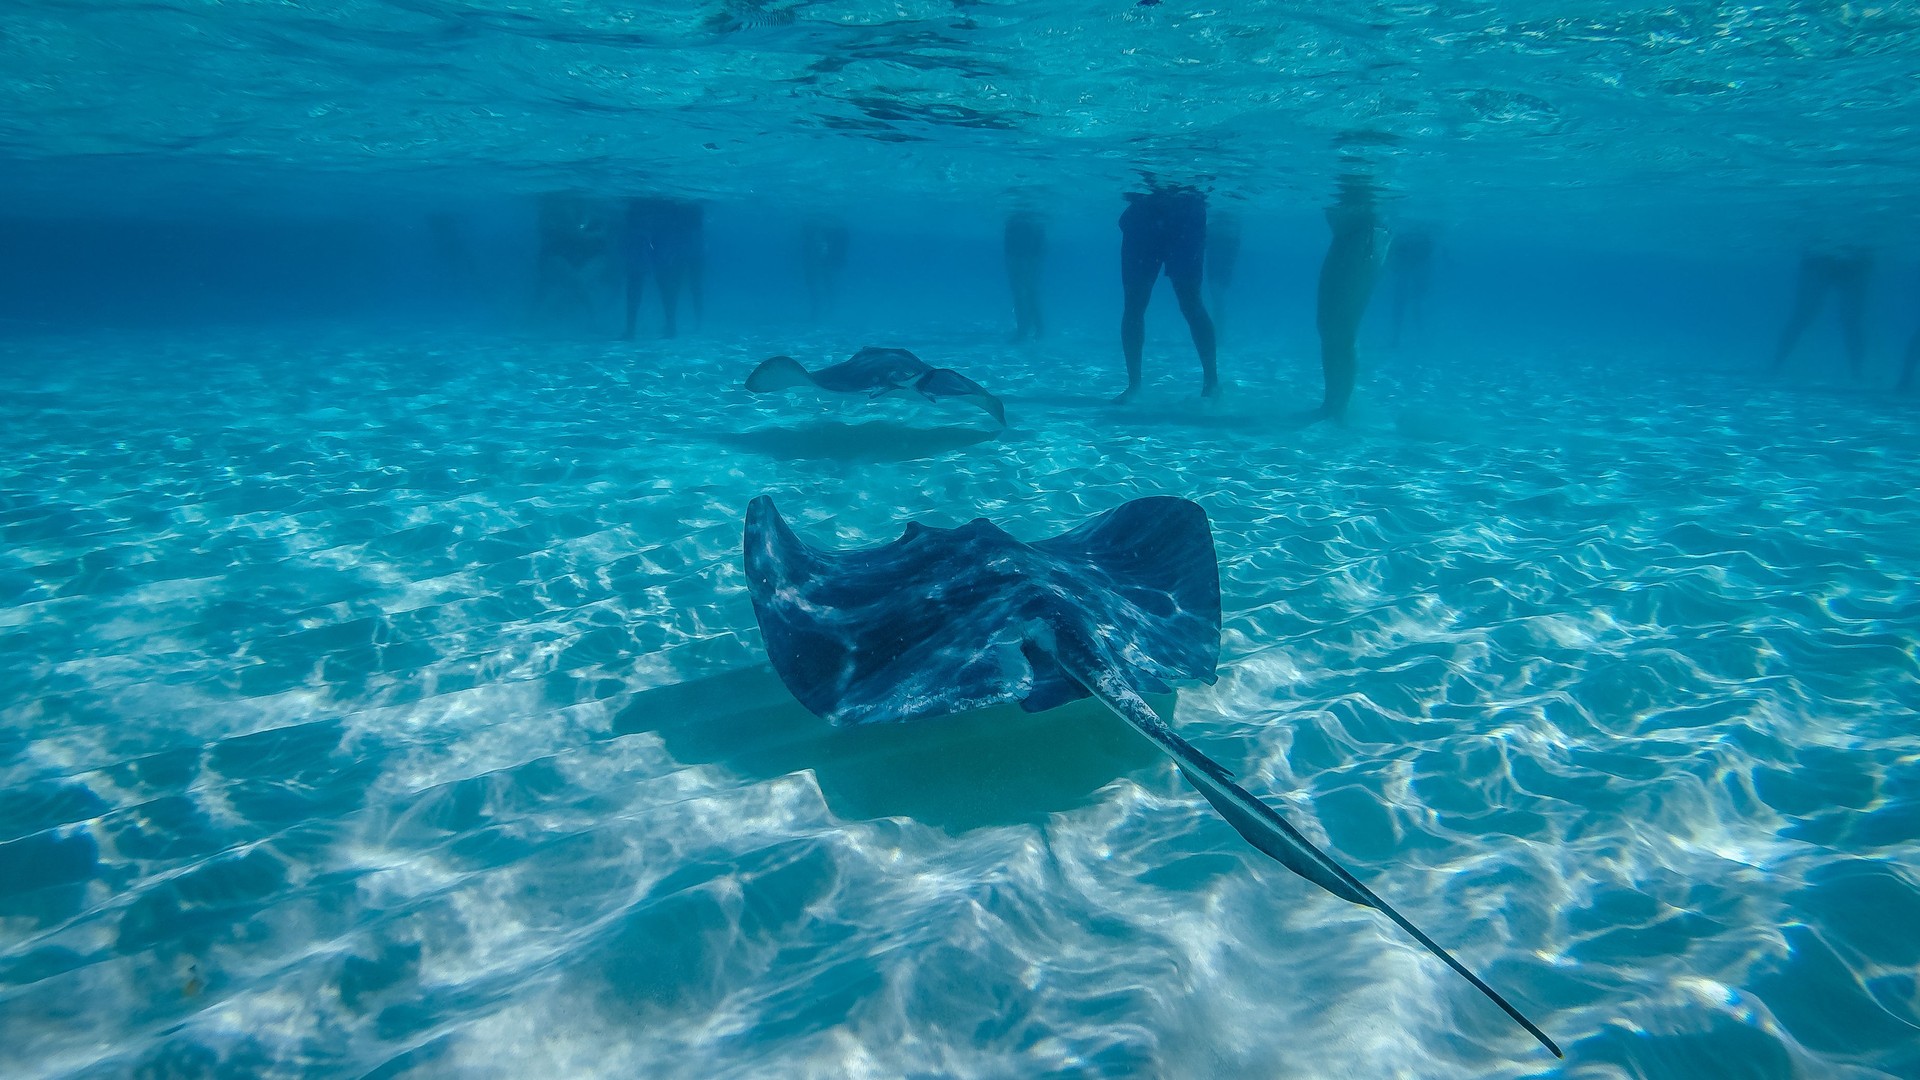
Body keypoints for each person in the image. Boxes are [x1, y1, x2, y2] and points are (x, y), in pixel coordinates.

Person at [1116, 184, 1217, 402]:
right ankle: (1134, 384)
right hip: (1146, 213)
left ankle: (1212, 383)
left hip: (1184, 213)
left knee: (1190, 300)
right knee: (1135, 303)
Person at [1315, 176, 1388, 419]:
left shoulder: (1363, 180)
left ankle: (1338, 409)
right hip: (1351, 236)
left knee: (1342, 329)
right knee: (1328, 326)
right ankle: (1332, 405)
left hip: (1363, 236)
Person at [1771, 248, 1873, 377]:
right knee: (1850, 322)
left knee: (1802, 318)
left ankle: (1775, 367)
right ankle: (1857, 374)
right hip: (1848, 259)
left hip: (1825, 257)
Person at [532, 193, 619, 328]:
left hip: (559, 256)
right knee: (575, 284)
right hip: (553, 257)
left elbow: (574, 233)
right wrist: (600, 234)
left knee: (550, 288)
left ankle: (534, 319)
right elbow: (576, 235)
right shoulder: (557, 212)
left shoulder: (554, 212)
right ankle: (593, 320)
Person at [623, 197, 705, 339]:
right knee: (662, 279)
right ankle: (670, 327)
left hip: (645, 222)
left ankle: (633, 330)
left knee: (639, 276)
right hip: (663, 224)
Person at [1385, 228, 1433, 348]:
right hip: (1409, 272)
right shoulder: (1421, 241)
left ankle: (1411, 336)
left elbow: (1392, 259)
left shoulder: (1406, 239)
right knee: (1410, 303)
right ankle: (1412, 336)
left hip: (1409, 272)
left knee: (1411, 303)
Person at [1004, 211, 1046, 341]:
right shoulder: (1034, 222)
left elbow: (1009, 241)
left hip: (1023, 257)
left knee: (1024, 293)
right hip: (1026, 257)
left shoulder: (1015, 221)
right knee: (1027, 293)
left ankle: (1028, 330)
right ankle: (1033, 329)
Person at [801, 215, 849, 321]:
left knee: (824, 284)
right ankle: (822, 310)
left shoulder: (822, 234)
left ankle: (824, 310)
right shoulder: (823, 234)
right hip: (819, 264)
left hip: (821, 264)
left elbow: (820, 250)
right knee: (822, 285)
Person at [1206, 211, 1240, 332]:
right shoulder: (1231, 229)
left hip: (1221, 252)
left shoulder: (1228, 228)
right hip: (1221, 250)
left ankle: (1218, 333)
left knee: (1217, 295)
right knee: (1217, 295)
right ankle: (1218, 332)